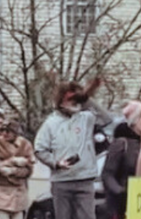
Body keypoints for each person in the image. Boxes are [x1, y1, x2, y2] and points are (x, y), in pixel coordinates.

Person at [34, 81, 110, 219]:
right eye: (70, 99)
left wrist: (86, 99)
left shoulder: (86, 118)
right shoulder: (50, 123)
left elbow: (106, 119)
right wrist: (56, 163)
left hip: (84, 179)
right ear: (61, 101)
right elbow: (40, 149)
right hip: (61, 181)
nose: (74, 102)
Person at [102, 101, 141, 219]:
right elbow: (107, 174)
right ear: (135, 121)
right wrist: (121, 192)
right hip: (121, 206)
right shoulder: (121, 143)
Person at [0, 120, 33, 219]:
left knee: (18, 215)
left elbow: (29, 168)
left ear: (15, 132)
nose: (5, 133)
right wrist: (13, 161)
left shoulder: (25, 144)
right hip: (1, 190)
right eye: (3, 130)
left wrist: (13, 171)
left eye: (8, 131)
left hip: (18, 190)